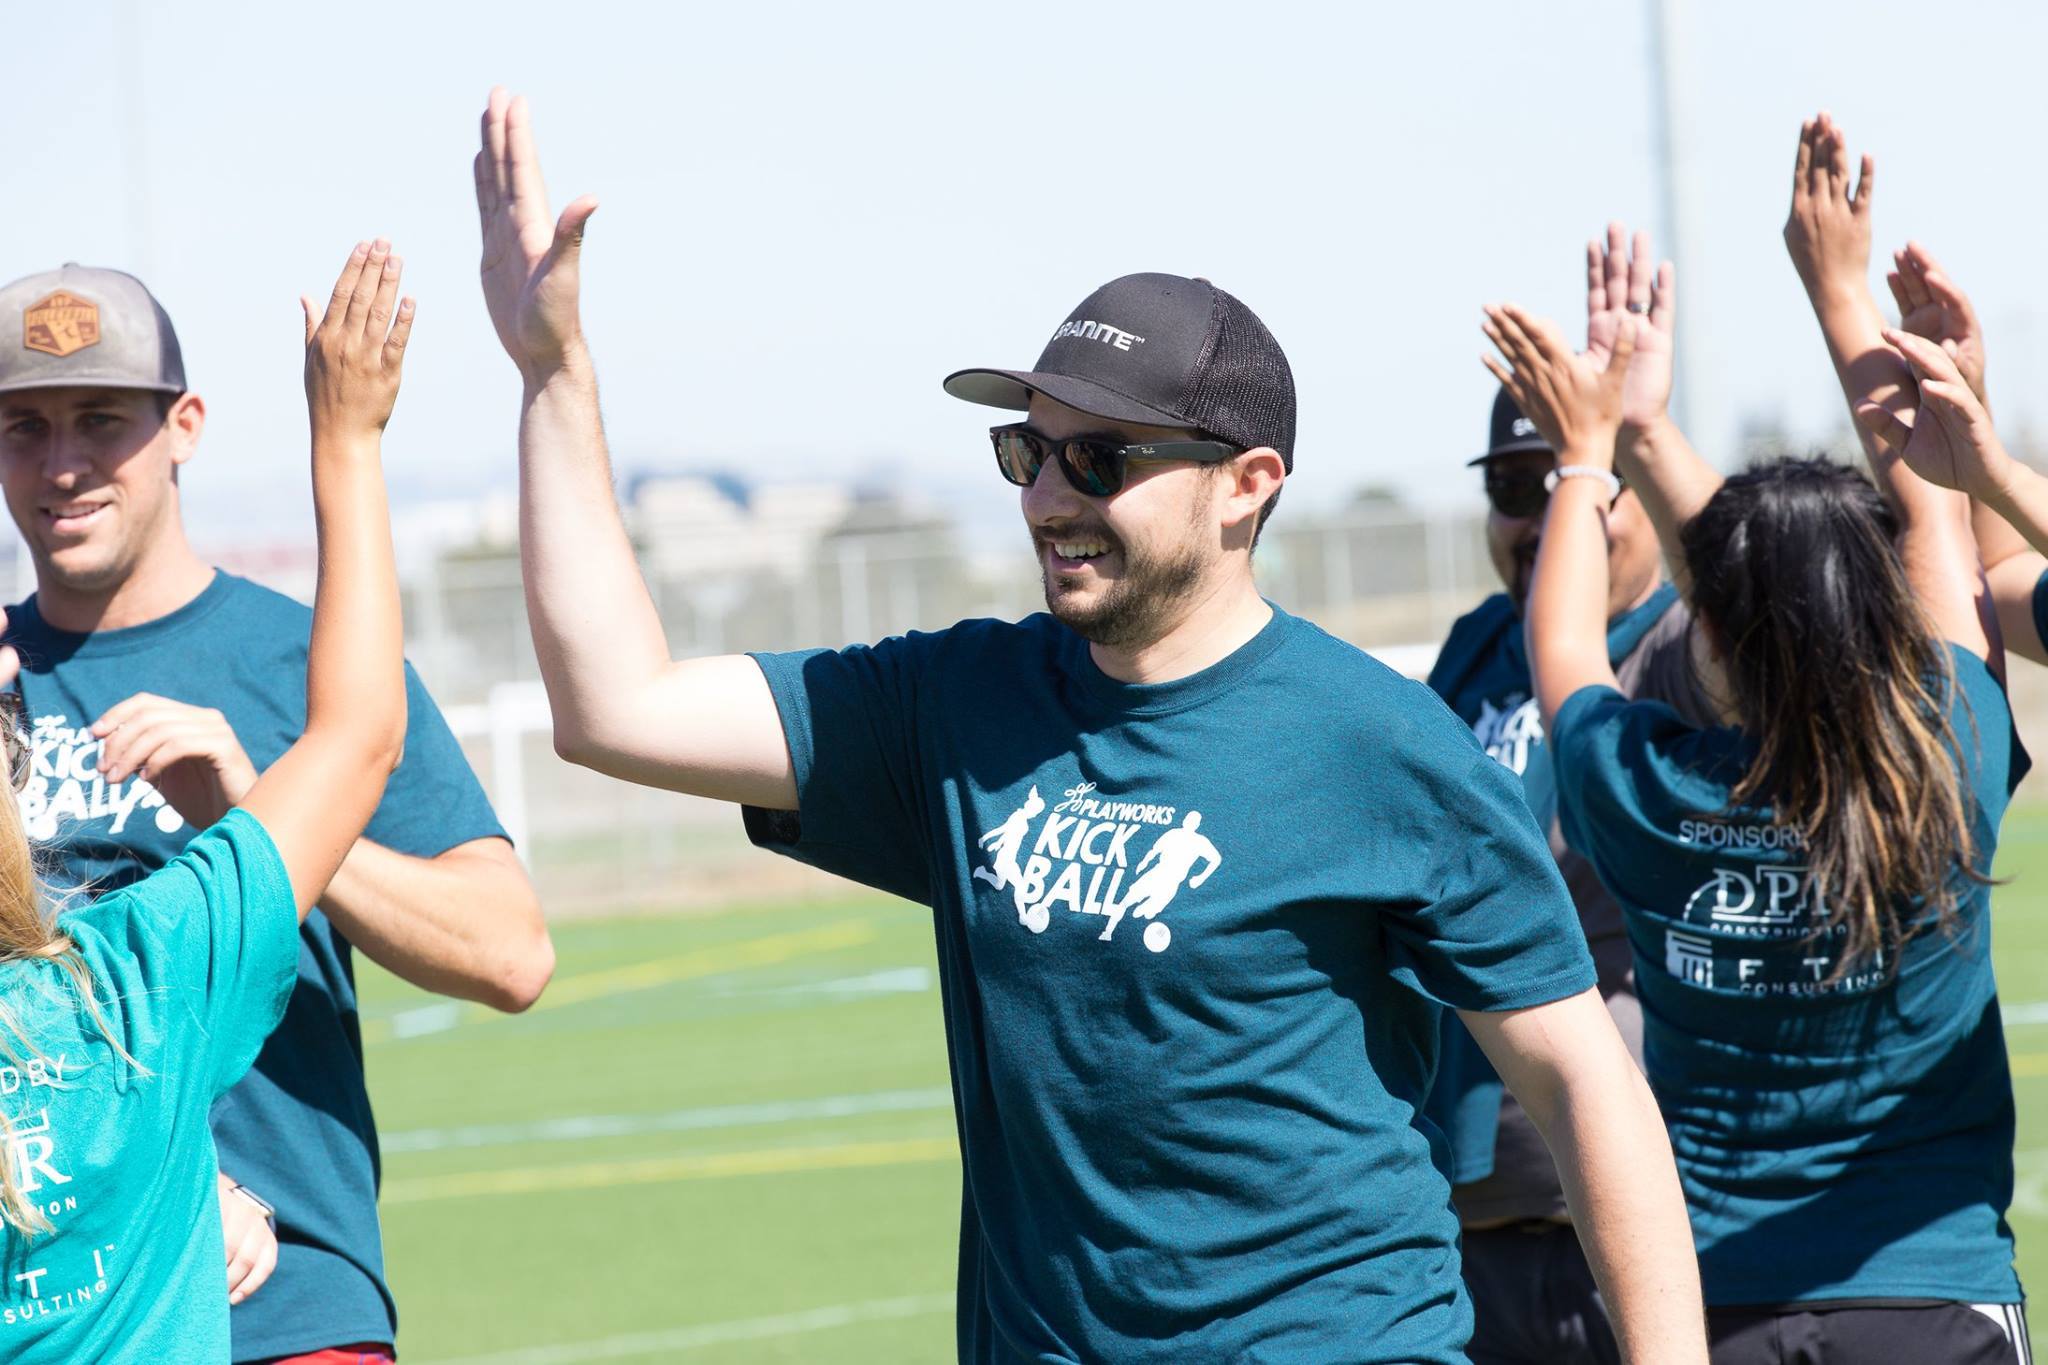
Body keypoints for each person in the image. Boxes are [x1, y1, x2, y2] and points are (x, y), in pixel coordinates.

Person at [474, 86, 1706, 1363]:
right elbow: (615, 708)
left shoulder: (1384, 745)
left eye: (1101, 459)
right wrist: (553, 377)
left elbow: (1583, 1086)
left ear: (1247, 486)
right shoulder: (957, 706)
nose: (1050, 494)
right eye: (1031, 451)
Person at [1483, 110, 2029, 1365]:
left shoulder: (1649, 791)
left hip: (1713, 1301)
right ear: (1881, 619)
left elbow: (1560, 643)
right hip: (1930, 1299)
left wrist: (1585, 449)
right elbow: (1930, 510)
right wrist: (1840, 291)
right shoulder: (1944, 748)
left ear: (1708, 636)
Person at [0, 256, 553, 1360]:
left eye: (100, 421)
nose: (62, 466)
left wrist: (265, 823)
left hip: (289, 1301)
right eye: (24, 427)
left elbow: (508, 955)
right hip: (50, 1299)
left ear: (185, 425)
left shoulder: (302, 660)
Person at [1427, 225, 1715, 1365]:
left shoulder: (1699, 648)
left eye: (1569, 479)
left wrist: (1631, 427)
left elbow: (1769, 596)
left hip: (1636, 1215)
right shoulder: (1470, 646)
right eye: (1511, 485)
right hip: (1462, 1211)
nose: (1539, 514)